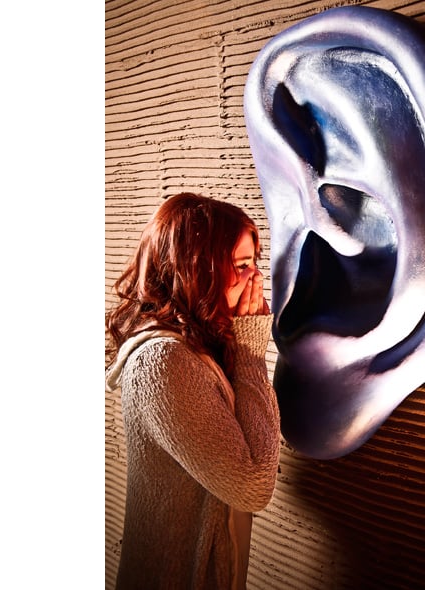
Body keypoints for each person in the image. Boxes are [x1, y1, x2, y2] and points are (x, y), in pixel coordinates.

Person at [105, 192, 281, 590]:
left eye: (255, 262)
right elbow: (253, 486)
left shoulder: (197, 345)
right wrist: (251, 352)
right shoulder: (163, 361)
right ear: (196, 268)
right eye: (242, 265)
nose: (256, 279)